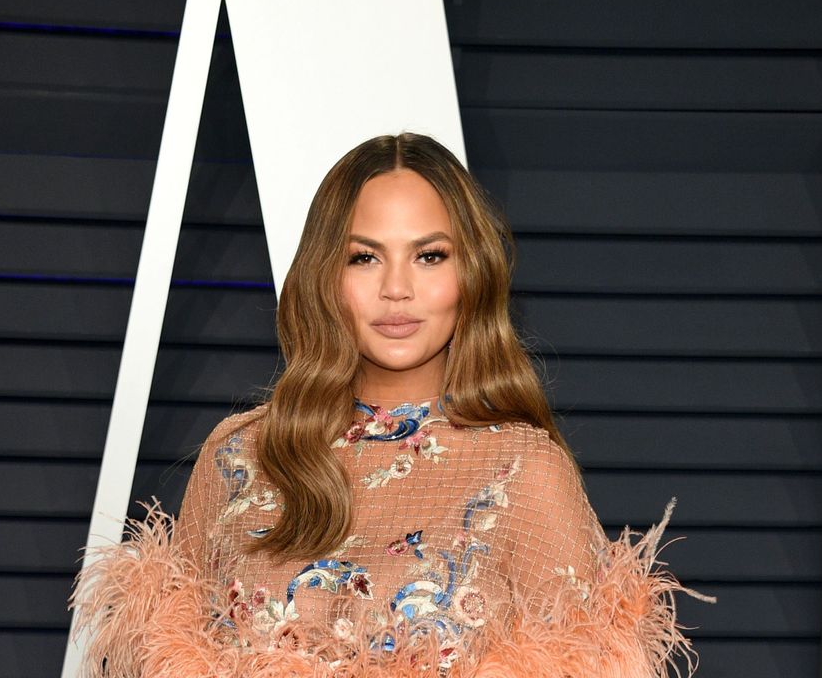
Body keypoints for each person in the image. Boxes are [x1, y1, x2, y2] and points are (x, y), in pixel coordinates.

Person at [68, 133, 711, 677]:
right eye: (364, 257)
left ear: (471, 275)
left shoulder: (523, 471)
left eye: (429, 255)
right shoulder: (239, 456)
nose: (396, 289)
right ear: (326, 276)